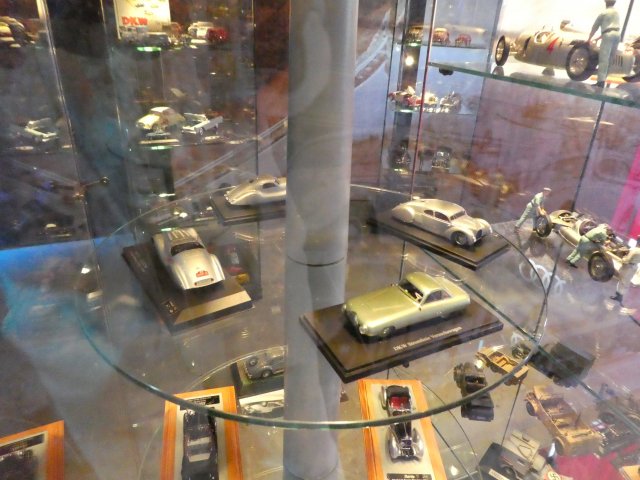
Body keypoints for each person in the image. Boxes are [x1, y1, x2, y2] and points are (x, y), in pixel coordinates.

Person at [588, 0, 621, 87]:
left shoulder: (604, 13)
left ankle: (600, 82)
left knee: (604, 59)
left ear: (606, 2)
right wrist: (599, 38)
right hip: (617, 35)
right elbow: (612, 28)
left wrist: (589, 38)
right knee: (610, 59)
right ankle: (603, 79)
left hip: (607, 35)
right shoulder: (616, 13)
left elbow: (595, 27)